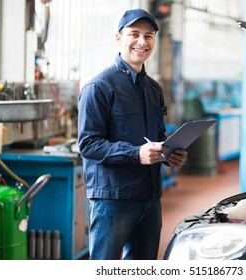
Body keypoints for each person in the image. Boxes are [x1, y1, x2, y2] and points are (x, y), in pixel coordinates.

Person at [77, 8, 188, 260]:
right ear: (119, 38)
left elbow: (158, 135)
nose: (142, 42)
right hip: (114, 198)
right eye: (134, 34)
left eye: (149, 36)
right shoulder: (99, 87)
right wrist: (136, 153)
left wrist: (170, 153)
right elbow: (88, 144)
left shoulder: (153, 89)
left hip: (149, 197)